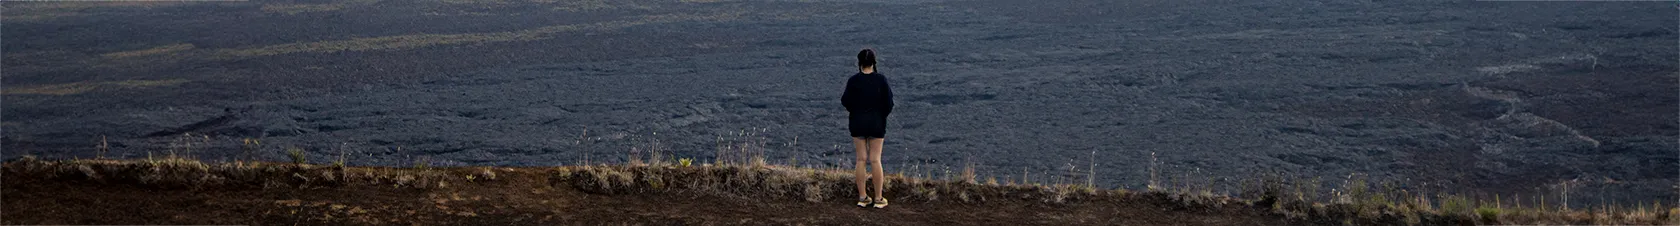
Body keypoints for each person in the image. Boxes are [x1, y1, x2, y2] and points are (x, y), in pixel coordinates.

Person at [842, 48, 894, 208]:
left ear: (859, 63)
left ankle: (863, 197)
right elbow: (889, 103)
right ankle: (878, 198)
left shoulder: (853, 81)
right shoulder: (881, 80)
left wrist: (856, 112)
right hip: (877, 123)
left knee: (861, 159)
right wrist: (880, 116)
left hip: (857, 122)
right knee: (875, 159)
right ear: (873, 62)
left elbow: (845, 101)